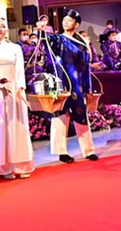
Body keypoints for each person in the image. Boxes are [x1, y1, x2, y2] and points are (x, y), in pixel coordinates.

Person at [0, 18, 35, 180]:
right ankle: (4, 167)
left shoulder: (15, 48)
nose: (0, 29)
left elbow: (19, 69)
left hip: (15, 88)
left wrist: (20, 88)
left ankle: (22, 164)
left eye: (3, 26)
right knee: (0, 126)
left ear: (7, 29)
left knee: (18, 125)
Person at [42, 9, 99, 164]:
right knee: (61, 115)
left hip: (78, 85)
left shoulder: (81, 44)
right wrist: (41, 30)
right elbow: (45, 41)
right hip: (61, 82)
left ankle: (88, 150)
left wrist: (88, 88)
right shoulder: (58, 39)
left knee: (81, 116)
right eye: (64, 20)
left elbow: (85, 67)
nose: (65, 22)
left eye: (69, 20)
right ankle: (61, 152)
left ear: (76, 24)